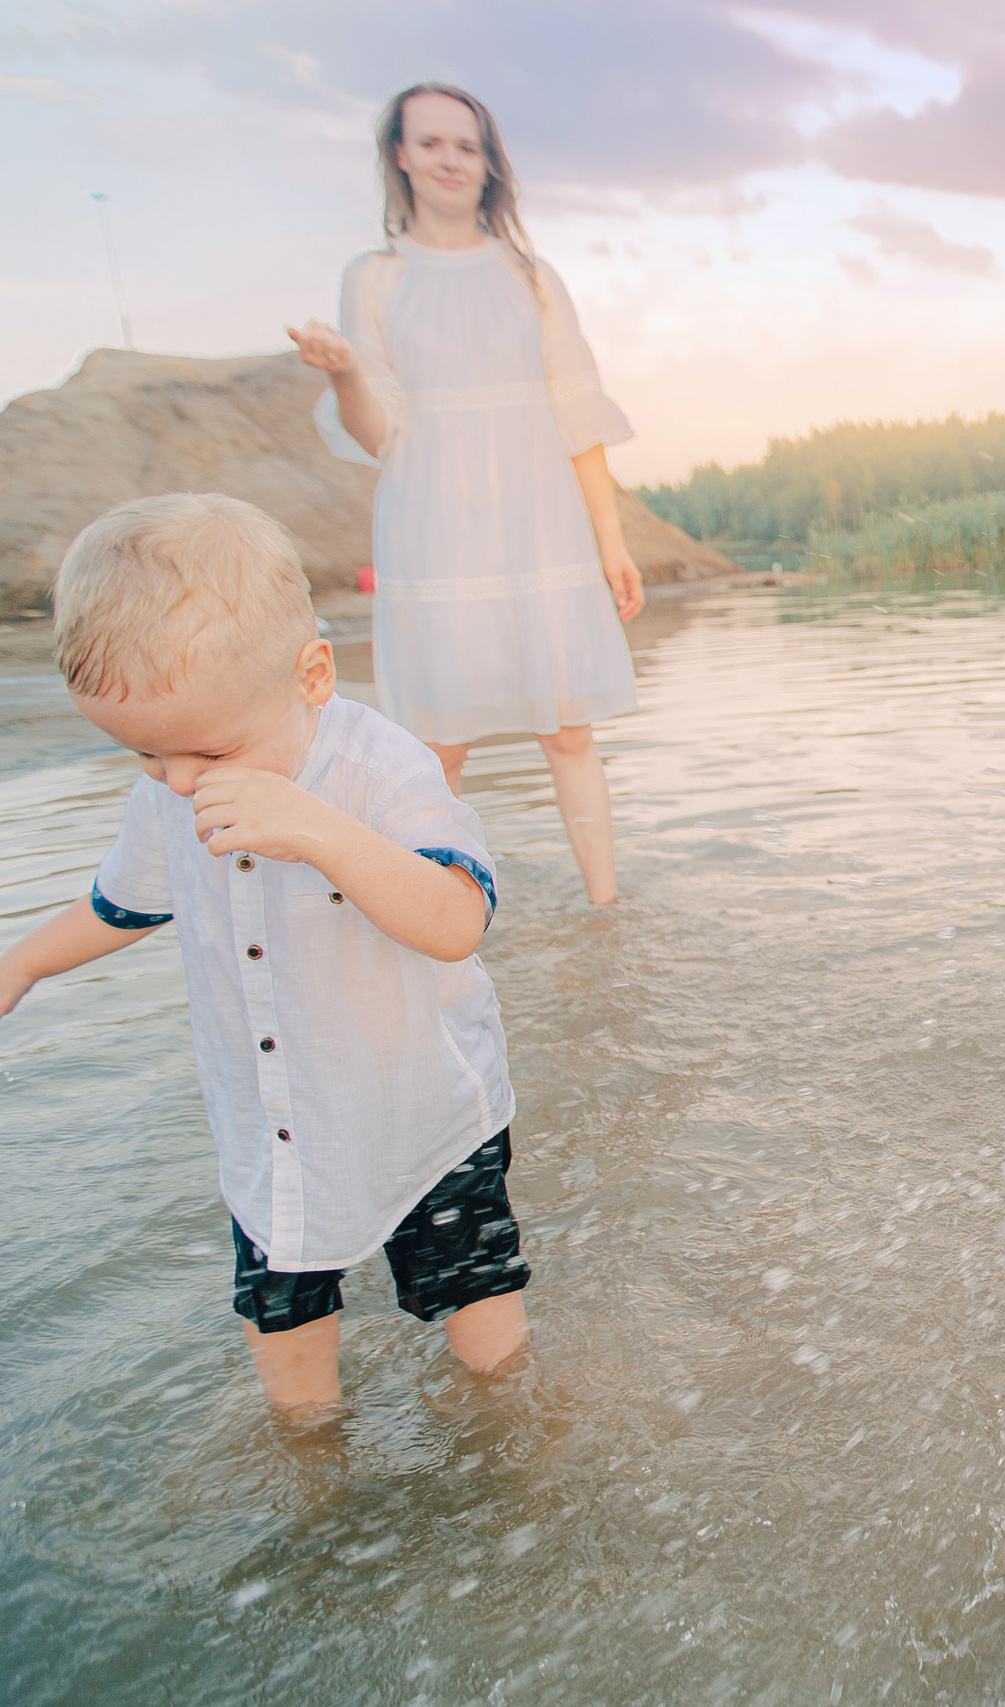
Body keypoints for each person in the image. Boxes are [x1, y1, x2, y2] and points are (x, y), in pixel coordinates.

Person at [0, 494, 528, 1413]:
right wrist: (24, 962)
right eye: (143, 756)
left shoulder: (381, 767)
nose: (176, 781)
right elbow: (123, 905)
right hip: (275, 1129)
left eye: (206, 751)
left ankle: (517, 1468)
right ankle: (313, 1486)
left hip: (427, 1119)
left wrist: (318, 829)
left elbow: (456, 921)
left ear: (312, 674)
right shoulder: (172, 783)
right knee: (285, 1345)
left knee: (484, 1335)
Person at [286, 81, 642, 906]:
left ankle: (607, 914)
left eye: (468, 145)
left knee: (568, 728)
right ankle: (438, 917)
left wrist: (611, 542)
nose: (451, 159)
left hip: (539, 521)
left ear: (490, 165)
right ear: (400, 156)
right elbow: (377, 432)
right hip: (431, 526)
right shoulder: (373, 277)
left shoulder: (531, 273)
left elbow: (577, 411)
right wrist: (344, 373)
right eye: (433, 143)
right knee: (437, 746)